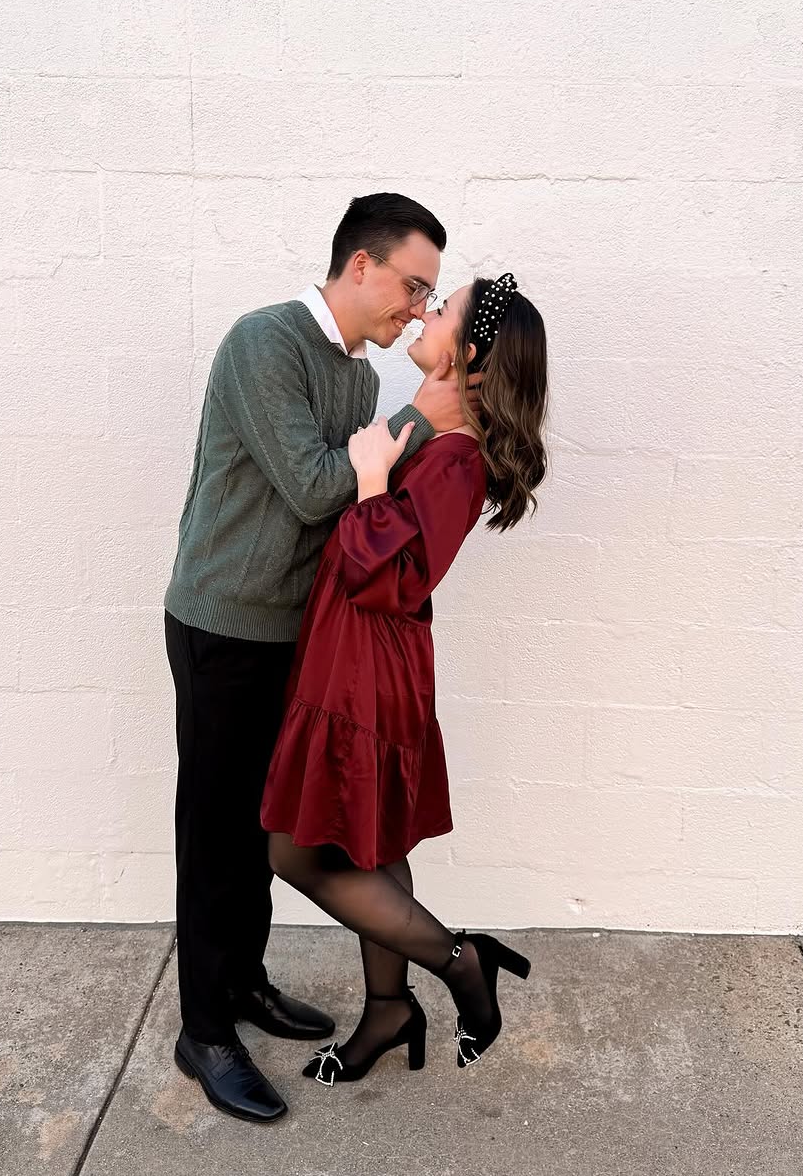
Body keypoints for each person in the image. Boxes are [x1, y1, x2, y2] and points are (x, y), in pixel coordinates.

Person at [163, 193, 482, 1124]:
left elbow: (358, 506)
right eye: (412, 285)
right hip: (225, 625)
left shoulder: (354, 375)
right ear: (360, 265)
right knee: (215, 835)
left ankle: (244, 981)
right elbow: (313, 489)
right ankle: (204, 1030)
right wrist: (424, 414)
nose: (417, 309)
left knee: (268, 828)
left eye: (430, 295)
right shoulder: (264, 342)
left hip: (292, 639)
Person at [260, 271, 548, 1086]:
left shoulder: (456, 461)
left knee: (295, 852)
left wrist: (372, 475)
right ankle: (389, 1008)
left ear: (471, 357)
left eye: (443, 308)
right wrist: (391, 452)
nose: (425, 311)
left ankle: (461, 961)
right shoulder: (435, 438)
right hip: (352, 654)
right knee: (373, 845)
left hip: (367, 666)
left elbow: (387, 578)